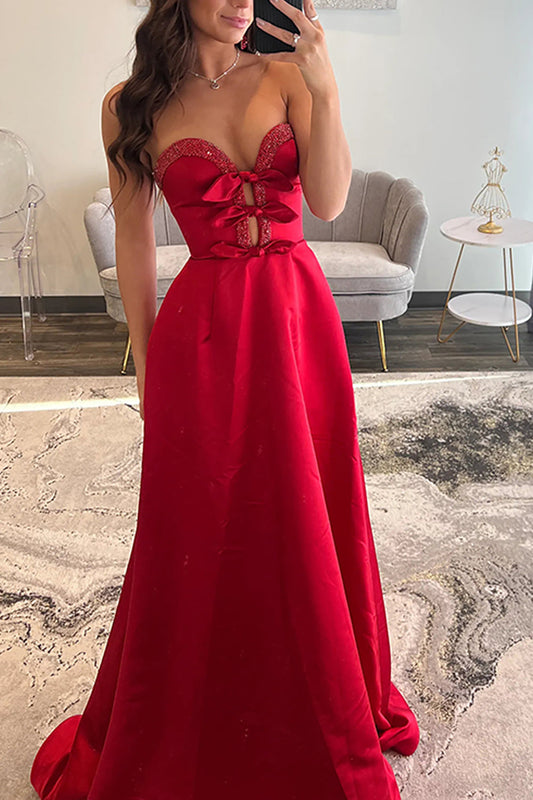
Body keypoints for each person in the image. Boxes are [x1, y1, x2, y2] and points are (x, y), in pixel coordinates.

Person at [30, 1, 420, 798]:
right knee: (198, 516)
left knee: (309, 504)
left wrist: (325, 85)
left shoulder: (286, 75)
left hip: (297, 322)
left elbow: (329, 201)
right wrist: (145, 364)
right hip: (200, 330)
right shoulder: (130, 106)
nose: (243, 0)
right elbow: (135, 238)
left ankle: (321, 694)